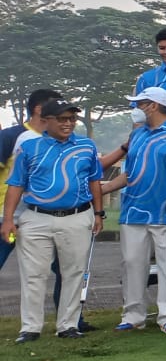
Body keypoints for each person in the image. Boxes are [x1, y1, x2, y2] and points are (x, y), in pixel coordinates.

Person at [1, 99, 103, 342]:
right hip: (36, 217)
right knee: (33, 275)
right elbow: (16, 185)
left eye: (71, 119)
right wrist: (8, 220)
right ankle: (30, 328)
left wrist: (99, 213)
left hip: (77, 216)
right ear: (46, 121)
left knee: (74, 272)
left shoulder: (86, 146)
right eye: (61, 119)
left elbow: (94, 181)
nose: (68, 123)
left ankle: (67, 325)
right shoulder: (29, 147)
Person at [97, 87, 166, 334]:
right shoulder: (137, 136)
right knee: (132, 264)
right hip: (134, 210)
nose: (137, 108)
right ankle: (133, 315)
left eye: (141, 103)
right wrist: (101, 191)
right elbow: (130, 173)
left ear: (153, 105)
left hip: (165, 211)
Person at [0, 88, 59, 279]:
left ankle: (68, 309)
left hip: (41, 218)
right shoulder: (11, 136)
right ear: (38, 109)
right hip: (8, 218)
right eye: (54, 106)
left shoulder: (57, 140)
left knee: (63, 269)